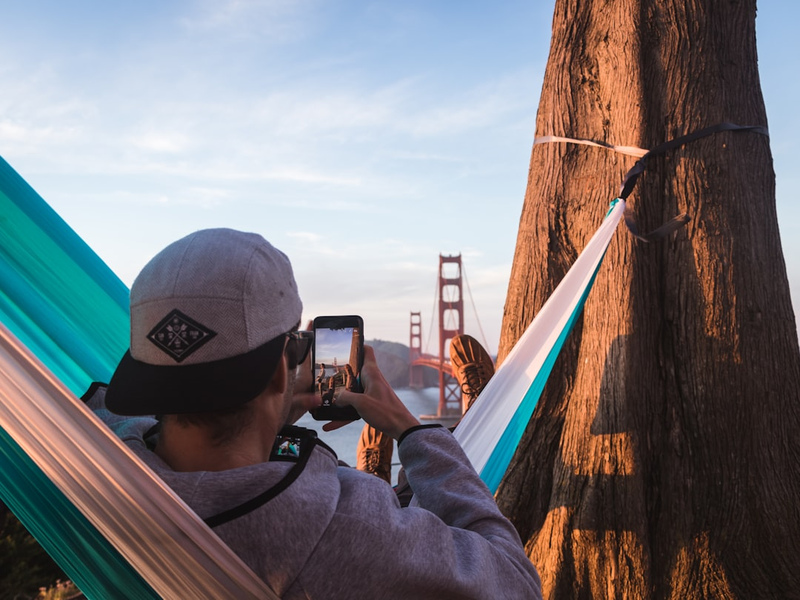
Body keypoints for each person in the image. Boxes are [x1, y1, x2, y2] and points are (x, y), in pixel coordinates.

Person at [90, 228, 541, 599]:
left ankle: (383, 471)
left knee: (390, 485)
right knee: (423, 480)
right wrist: (409, 430)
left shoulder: (91, 452)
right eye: (299, 344)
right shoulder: (350, 534)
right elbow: (515, 582)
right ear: (277, 372)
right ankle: (437, 442)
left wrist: (273, 413)